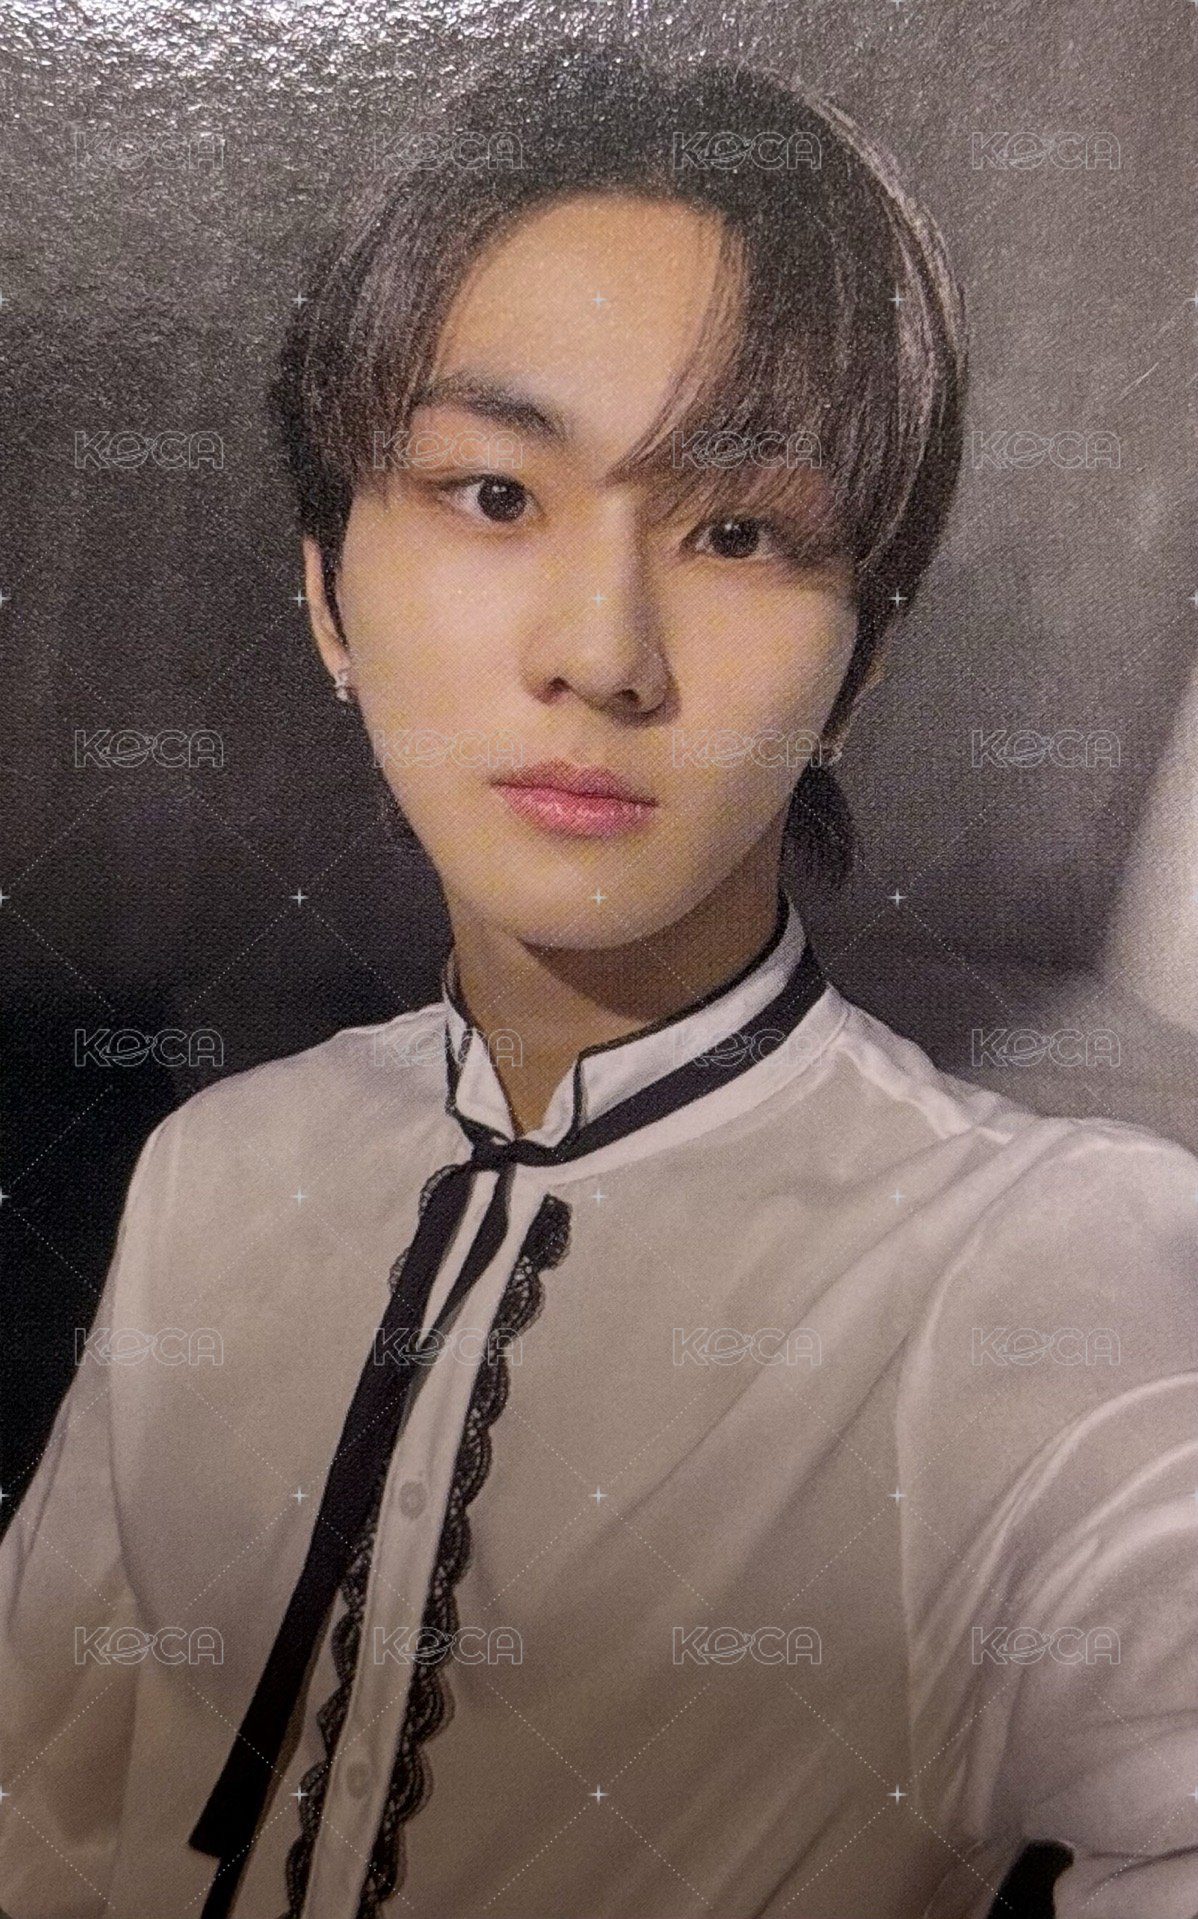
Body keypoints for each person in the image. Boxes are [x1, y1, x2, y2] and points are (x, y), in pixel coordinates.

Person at [1, 40, 1195, 1919]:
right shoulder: (218, 1170)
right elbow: (44, 1803)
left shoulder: (1050, 1265)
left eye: (739, 532)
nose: (602, 651)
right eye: (492, 494)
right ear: (325, 591)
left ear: (862, 662)